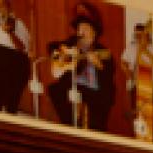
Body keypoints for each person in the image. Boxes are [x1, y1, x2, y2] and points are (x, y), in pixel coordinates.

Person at [45, 2, 115, 131]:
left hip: (95, 89)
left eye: (85, 29)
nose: (81, 32)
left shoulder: (102, 51)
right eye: (79, 29)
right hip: (75, 85)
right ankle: (69, 126)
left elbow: (109, 74)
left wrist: (98, 64)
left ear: (94, 33)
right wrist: (62, 52)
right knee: (55, 89)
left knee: (96, 114)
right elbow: (51, 47)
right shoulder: (72, 42)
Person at [0, 0, 32, 115]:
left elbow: (22, 49)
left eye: (1, 4)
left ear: (7, 5)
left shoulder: (18, 24)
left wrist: (10, 32)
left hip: (13, 62)